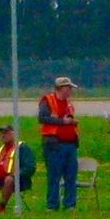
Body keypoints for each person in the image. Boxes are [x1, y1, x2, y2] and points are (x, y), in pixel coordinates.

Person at [37, 75, 80, 210]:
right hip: (54, 144)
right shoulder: (48, 100)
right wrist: (62, 121)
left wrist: (72, 122)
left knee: (70, 176)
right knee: (54, 175)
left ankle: (70, 204)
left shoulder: (69, 103)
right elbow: (42, 118)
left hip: (70, 144)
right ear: (60, 88)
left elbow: (69, 118)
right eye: (68, 88)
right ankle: (52, 205)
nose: (70, 91)